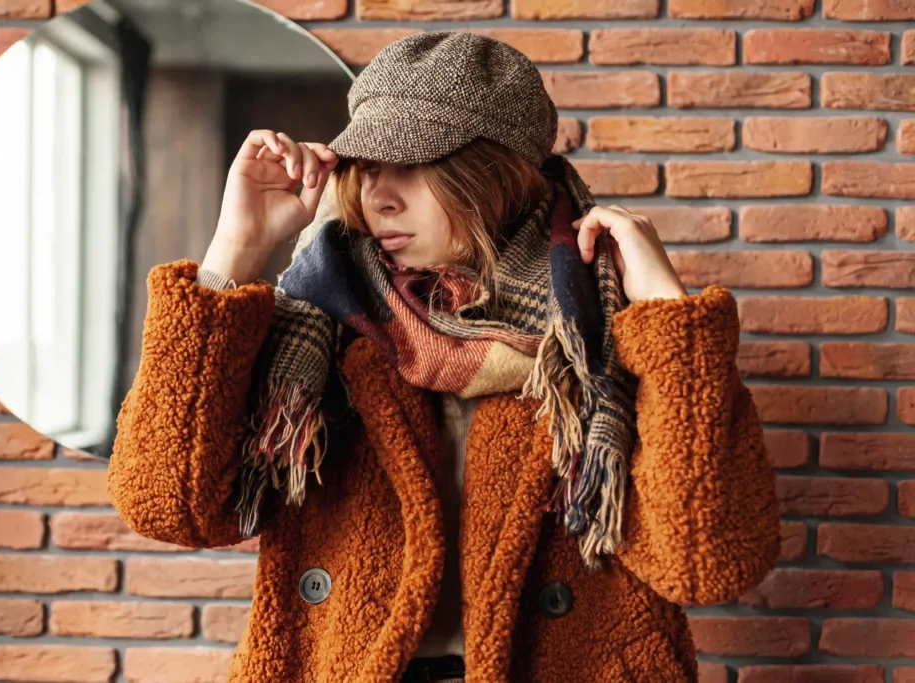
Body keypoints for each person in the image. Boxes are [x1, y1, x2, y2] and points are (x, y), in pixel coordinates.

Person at [107, 31, 781, 683]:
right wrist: (235, 253)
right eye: (367, 166)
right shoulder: (324, 320)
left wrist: (668, 315)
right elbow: (168, 505)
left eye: (411, 165)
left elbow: (707, 562)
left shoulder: (604, 332)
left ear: (496, 172)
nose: (379, 194)